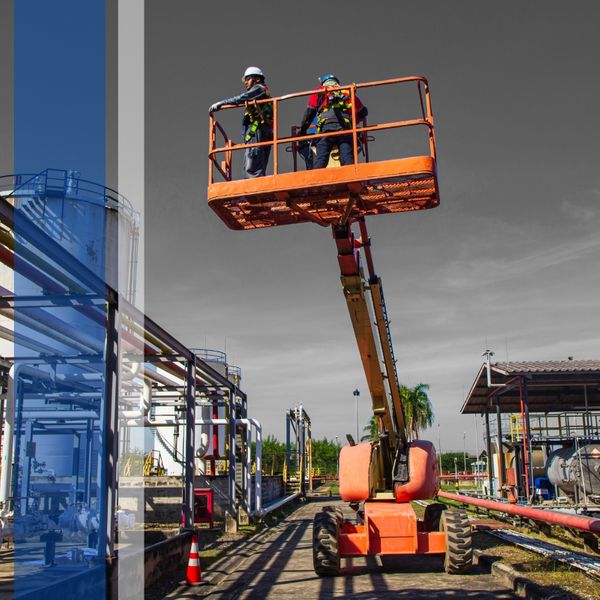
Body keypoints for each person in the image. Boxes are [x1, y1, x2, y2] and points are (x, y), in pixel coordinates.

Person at [209, 67, 273, 178]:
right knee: (258, 160)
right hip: (263, 130)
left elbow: (242, 98)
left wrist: (222, 103)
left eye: (248, 79)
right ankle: (256, 180)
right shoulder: (262, 91)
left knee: (252, 160)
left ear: (257, 79)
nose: (246, 83)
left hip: (257, 130)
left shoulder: (259, 89)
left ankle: (252, 184)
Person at [297, 74, 368, 169]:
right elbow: (363, 112)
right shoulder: (347, 92)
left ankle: (318, 179)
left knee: (321, 159)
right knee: (347, 157)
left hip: (326, 130)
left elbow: (309, 113)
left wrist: (302, 131)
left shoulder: (320, 90)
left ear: (323, 82)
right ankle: (351, 177)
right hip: (345, 130)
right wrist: (352, 122)